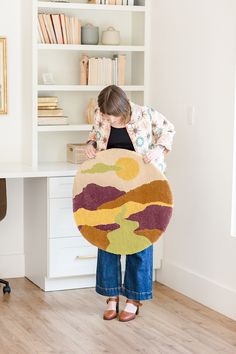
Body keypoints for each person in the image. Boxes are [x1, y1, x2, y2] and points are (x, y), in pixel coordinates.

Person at [85, 85, 175, 322]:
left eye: (112, 116)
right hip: (110, 184)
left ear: (123, 109)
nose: (108, 120)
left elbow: (169, 131)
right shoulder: (100, 114)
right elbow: (94, 136)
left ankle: (134, 298)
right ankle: (111, 296)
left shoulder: (146, 115)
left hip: (143, 184)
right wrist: (91, 146)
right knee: (106, 239)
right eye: (105, 116)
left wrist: (158, 151)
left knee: (140, 239)